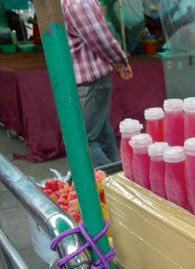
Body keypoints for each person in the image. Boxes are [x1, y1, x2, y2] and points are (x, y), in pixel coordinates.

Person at [62, 0, 133, 167]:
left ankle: (109, 181)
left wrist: (120, 61)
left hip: (90, 82)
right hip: (90, 82)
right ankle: (113, 179)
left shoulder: (77, 4)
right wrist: (119, 62)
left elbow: (101, 40)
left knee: (82, 140)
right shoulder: (78, 3)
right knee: (98, 134)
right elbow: (101, 39)